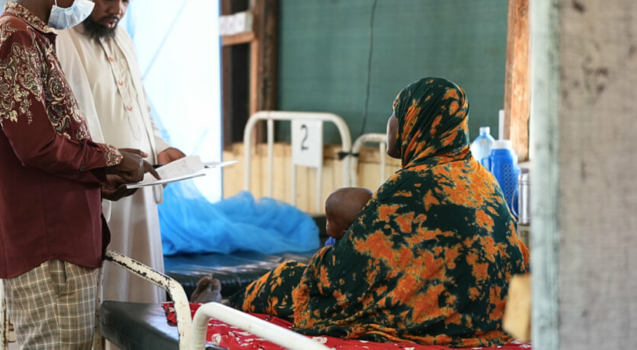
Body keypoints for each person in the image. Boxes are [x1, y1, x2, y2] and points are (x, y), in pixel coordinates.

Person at [214, 78, 529, 348]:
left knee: (288, 279)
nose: (390, 122)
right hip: (494, 315)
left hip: (437, 318)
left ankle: (219, 306)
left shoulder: (411, 185)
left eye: (396, 112)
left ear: (417, 122)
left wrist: (319, 264)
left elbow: (346, 273)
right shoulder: (483, 178)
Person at [0, 0, 157, 349]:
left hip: (58, 231)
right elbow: (37, 146)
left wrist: (99, 178)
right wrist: (111, 159)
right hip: (47, 241)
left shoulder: (34, 38)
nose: (89, 3)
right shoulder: (15, 38)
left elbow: (49, 139)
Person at [55, 0, 185, 304]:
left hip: (139, 187)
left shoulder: (122, 37)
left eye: (127, 0)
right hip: (102, 189)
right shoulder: (64, 39)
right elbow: (70, 123)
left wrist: (160, 148)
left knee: (142, 295)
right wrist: (106, 165)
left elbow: (139, 106)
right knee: (105, 294)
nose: (118, 9)